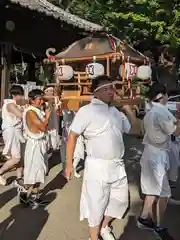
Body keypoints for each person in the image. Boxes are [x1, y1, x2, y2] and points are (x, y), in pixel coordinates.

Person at [65, 75, 137, 240]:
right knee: (96, 205)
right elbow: (72, 136)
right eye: (106, 88)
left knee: (119, 201)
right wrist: (69, 164)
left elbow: (134, 130)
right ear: (96, 93)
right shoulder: (86, 111)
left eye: (112, 88)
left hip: (117, 165)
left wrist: (129, 110)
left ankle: (104, 227)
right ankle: (93, 237)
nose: (111, 91)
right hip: (97, 166)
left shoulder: (115, 112)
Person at [137, 83, 180, 240]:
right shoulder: (160, 112)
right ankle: (159, 226)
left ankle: (144, 217)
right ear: (163, 95)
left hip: (149, 152)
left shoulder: (151, 110)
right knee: (164, 193)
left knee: (151, 190)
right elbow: (175, 130)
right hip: (157, 155)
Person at [22, 89, 51, 208]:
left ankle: (35, 198)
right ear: (32, 100)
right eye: (39, 99)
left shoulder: (38, 110)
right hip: (34, 145)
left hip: (40, 143)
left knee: (40, 172)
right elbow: (42, 127)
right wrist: (48, 116)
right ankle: (23, 196)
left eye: (42, 99)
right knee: (32, 173)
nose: (41, 102)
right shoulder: (30, 112)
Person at [0, 85, 25, 186]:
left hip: (18, 132)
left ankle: (19, 178)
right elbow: (21, 115)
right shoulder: (10, 104)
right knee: (16, 158)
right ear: (14, 95)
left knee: (21, 157)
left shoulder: (17, 104)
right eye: (19, 95)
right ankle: (0, 172)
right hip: (12, 132)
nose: (21, 97)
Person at [44, 85, 61, 151]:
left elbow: (59, 110)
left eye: (52, 91)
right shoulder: (42, 101)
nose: (52, 92)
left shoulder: (56, 99)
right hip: (46, 124)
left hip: (54, 123)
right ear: (45, 92)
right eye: (50, 91)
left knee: (54, 141)